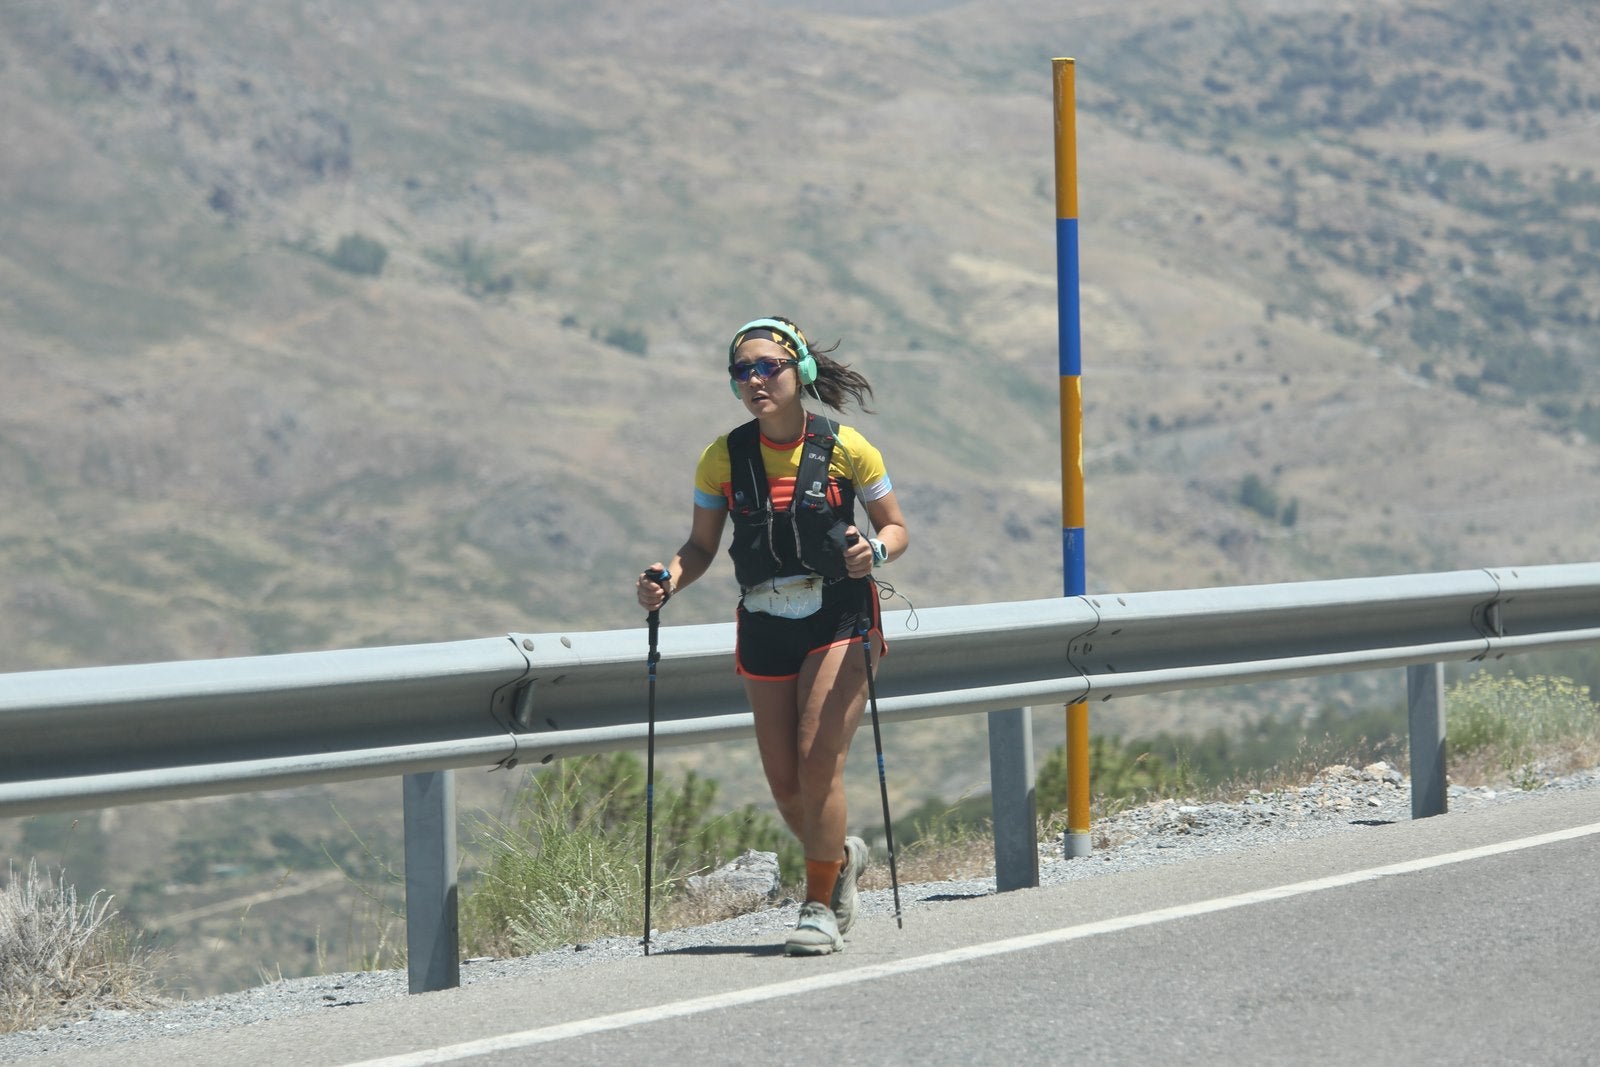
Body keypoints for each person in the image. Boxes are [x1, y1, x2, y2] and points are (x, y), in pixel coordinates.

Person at [635, 315, 908, 956]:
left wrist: (874, 551)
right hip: (763, 621)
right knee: (787, 784)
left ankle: (819, 906)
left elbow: (895, 527)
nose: (755, 380)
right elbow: (700, 547)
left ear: (799, 372)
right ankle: (840, 857)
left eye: (768, 367)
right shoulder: (720, 459)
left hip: (840, 614)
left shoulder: (849, 448)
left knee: (818, 760)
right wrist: (667, 578)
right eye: (742, 372)